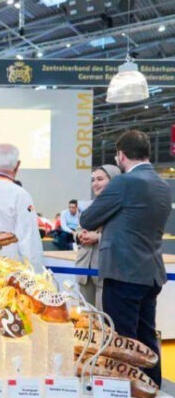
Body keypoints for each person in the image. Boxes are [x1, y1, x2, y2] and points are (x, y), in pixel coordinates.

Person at [80, 130, 170, 388]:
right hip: (150, 273)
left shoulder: (123, 183)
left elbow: (88, 219)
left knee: (122, 341)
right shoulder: (162, 185)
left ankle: (125, 390)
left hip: (123, 273)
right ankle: (151, 388)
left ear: (121, 155)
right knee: (146, 338)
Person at [75, 164, 121, 310]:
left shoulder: (122, 207)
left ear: (114, 180)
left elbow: (122, 236)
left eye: (100, 179)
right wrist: (80, 235)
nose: (95, 183)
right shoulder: (88, 206)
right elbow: (77, 230)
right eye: (93, 179)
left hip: (106, 270)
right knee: (84, 318)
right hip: (84, 268)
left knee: (104, 319)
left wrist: (98, 237)